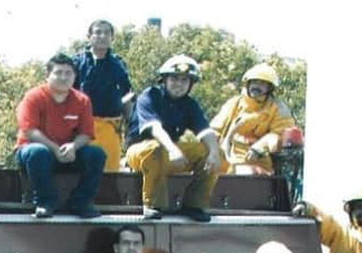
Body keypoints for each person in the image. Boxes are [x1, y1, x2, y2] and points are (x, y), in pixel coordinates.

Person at [125, 55, 221, 222]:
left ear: (191, 84)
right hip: (140, 153)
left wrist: (214, 153)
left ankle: (194, 205)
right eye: (175, 79)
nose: (179, 84)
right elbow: (155, 128)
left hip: (169, 153)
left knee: (208, 151)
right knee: (156, 148)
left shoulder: (190, 104)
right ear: (164, 80)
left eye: (185, 80)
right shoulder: (149, 96)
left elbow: (205, 131)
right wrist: (173, 149)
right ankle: (153, 205)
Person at [15, 53, 106, 219]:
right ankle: (45, 202)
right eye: (58, 73)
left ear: (74, 76)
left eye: (68, 73)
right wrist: (55, 148)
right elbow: (29, 131)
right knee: (38, 152)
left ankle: (81, 202)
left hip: (68, 153)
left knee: (96, 154)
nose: (64, 77)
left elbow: (86, 134)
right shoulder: (33, 97)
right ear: (47, 75)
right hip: (35, 154)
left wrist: (73, 146)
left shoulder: (82, 100)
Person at [211, 63, 296, 175]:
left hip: (258, 164)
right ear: (248, 84)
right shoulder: (234, 103)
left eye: (262, 83)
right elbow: (215, 129)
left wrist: (261, 146)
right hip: (226, 161)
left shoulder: (278, 108)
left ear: (269, 88)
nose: (257, 86)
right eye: (254, 82)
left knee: (244, 173)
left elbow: (281, 133)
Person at [73, 19, 135, 173]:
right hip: (80, 128)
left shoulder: (118, 65)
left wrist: (130, 129)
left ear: (112, 38)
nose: (102, 36)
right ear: (89, 36)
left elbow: (128, 95)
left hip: (109, 126)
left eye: (107, 33)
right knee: (80, 173)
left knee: (110, 174)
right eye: (98, 32)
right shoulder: (77, 62)